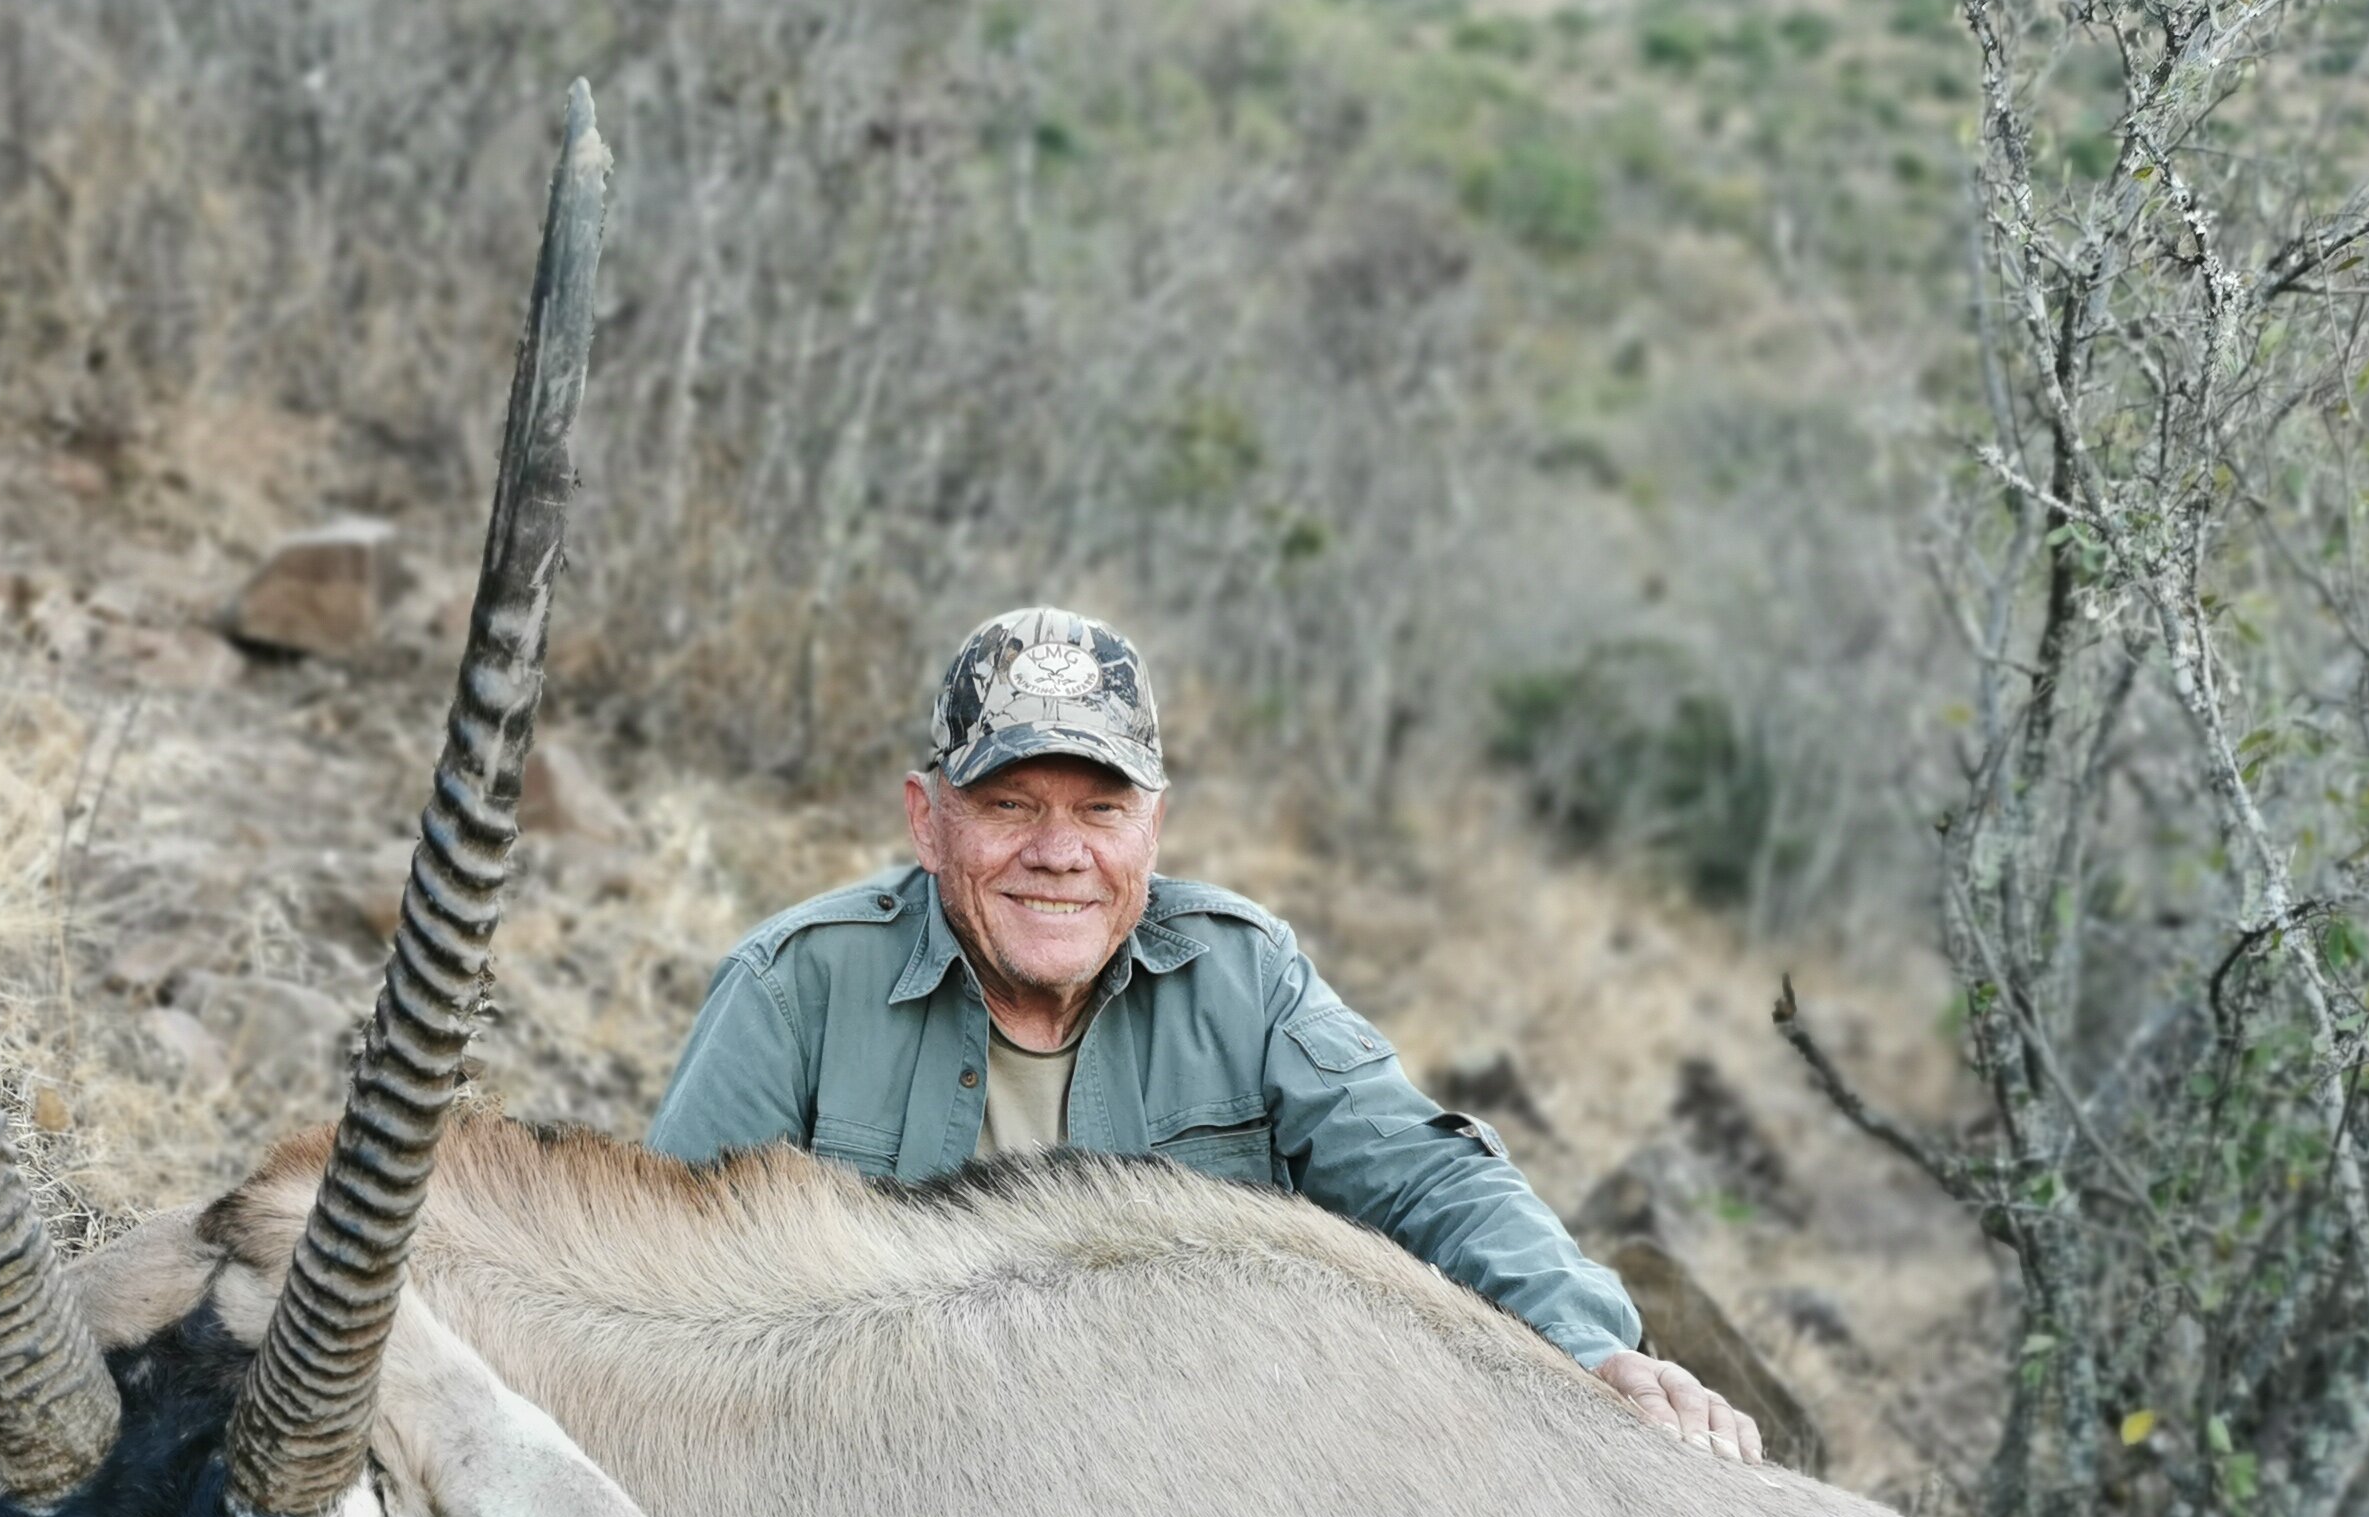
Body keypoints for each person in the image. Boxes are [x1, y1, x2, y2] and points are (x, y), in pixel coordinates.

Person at [643, 606, 1763, 1459]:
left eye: (1100, 809)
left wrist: (1593, 1346)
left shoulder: (1244, 971)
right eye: (1010, 804)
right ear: (927, 822)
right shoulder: (795, 986)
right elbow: (670, 1297)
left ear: (1154, 828)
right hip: (885, 1481)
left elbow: (1426, 1178)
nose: (1059, 851)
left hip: (1186, 1485)